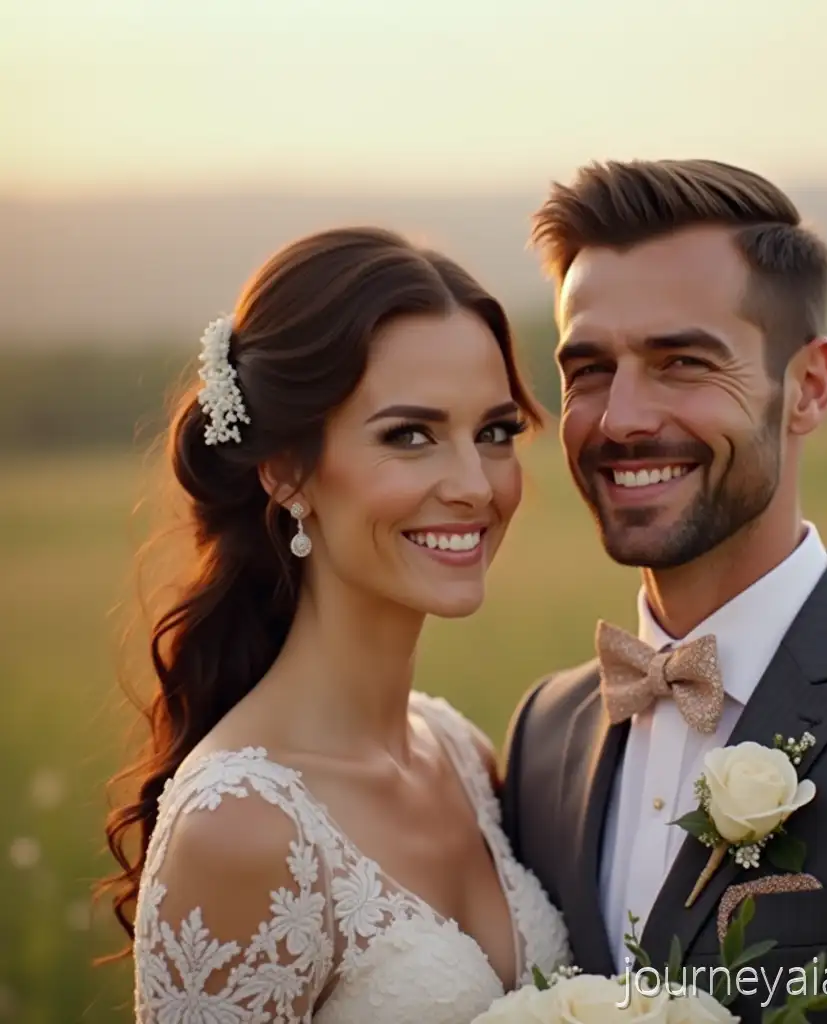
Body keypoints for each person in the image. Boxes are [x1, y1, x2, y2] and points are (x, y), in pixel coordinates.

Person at [499, 159, 827, 1021]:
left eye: (681, 363)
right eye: (588, 368)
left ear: (809, 388)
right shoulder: (542, 737)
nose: (621, 417)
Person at [99, 227, 570, 1024]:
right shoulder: (239, 827)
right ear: (286, 469)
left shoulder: (459, 755)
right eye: (410, 435)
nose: (474, 485)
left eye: (494, 433)